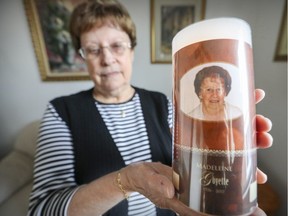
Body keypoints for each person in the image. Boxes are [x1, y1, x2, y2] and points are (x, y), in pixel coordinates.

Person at [27, 1, 273, 216]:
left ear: (132, 50)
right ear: (83, 57)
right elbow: (41, 209)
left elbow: (190, 164)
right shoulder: (61, 112)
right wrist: (126, 181)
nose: (107, 59)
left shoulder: (163, 103)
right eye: (93, 49)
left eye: (117, 45)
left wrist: (224, 139)